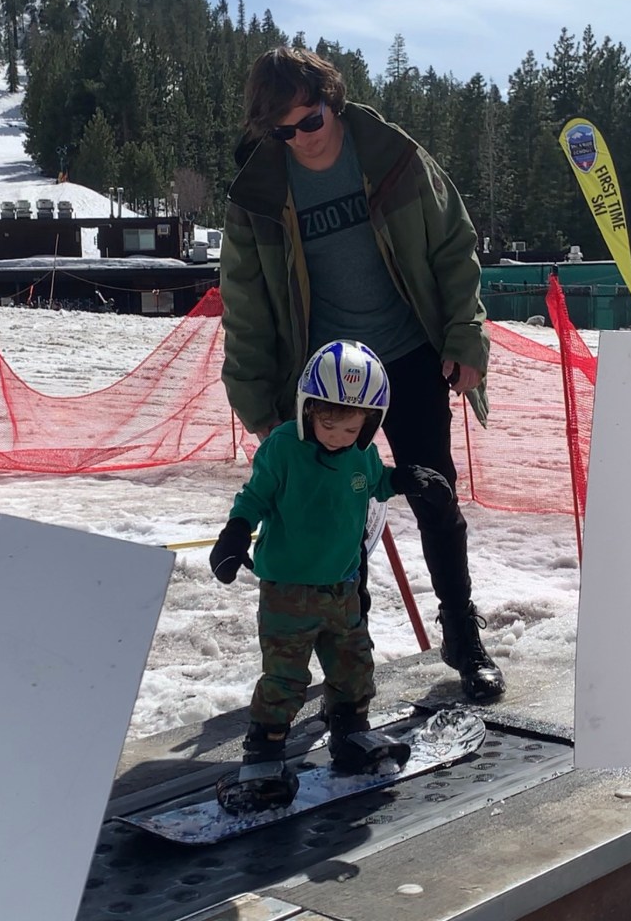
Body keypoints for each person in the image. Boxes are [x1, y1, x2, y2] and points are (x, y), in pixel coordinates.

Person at [220, 45, 505, 702]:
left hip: (406, 354)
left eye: (309, 122)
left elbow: (452, 246)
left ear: (333, 103)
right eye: (281, 132)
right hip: (324, 377)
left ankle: (462, 638)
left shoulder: (391, 158)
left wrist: (465, 335)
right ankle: (352, 661)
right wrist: (257, 400)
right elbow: (246, 306)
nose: (300, 141)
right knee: (331, 511)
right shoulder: (257, 196)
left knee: (435, 494)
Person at [209, 340, 453, 812]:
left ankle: (350, 733)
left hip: (342, 587)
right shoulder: (282, 449)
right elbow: (254, 498)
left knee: (353, 667)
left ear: (369, 423)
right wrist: (235, 535)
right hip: (289, 591)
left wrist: (408, 478)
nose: (338, 435)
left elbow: (376, 480)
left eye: (351, 426)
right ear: (307, 410)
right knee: (285, 677)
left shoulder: (358, 453)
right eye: (328, 424)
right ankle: (264, 755)